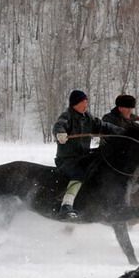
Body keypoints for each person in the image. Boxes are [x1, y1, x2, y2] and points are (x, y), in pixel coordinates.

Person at [53, 89, 124, 219]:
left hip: (83, 157)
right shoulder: (67, 115)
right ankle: (66, 206)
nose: (86, 104)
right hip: (67, 159)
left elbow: (104, 126)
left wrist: (123, 132)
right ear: (76, 103)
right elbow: (59, 125)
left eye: (87, 101)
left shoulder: (88, 118)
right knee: (79, 173)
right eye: (84, 102)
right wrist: (60, 133)